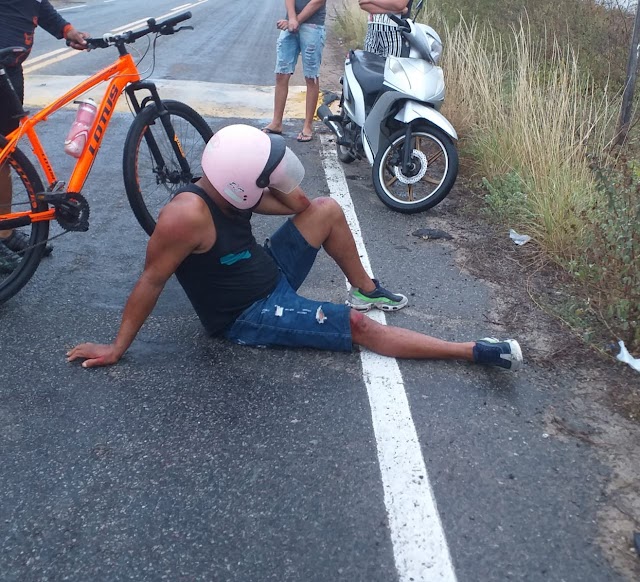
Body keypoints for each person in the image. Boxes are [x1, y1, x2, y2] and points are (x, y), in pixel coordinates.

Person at [66, 124, 523, 372]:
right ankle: (470, 351)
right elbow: (151, 279)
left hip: (267, 271)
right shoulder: (186, 216)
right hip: (247, 315)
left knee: (324, 208)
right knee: (359, 326)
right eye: (261, 180)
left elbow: (302, 204)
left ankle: (365, 286)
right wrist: (116, 347)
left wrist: (270, 179)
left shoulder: (232, 189)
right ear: (239, 182)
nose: (267, 186)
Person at [0, 0, 88, 272]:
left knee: (5, 158)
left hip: (10, 71)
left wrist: (67, 30)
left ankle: (4, 232)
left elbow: (39, 6)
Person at [262, 0, 327, 143]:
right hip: (290, 24)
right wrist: (292, 19)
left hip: (313, 26)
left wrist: (295, 20)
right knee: (281, 74)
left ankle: (308, 126)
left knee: (311, 77)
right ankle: (276, 122)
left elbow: (318, 2)